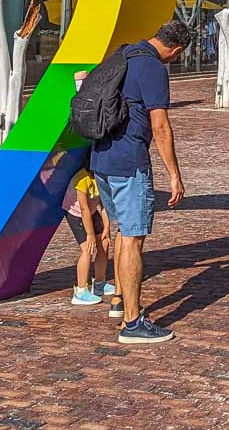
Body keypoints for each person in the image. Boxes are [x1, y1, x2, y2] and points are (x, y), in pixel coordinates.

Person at [91, 19, 191, 346]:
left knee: (122, 230)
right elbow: (160, 126)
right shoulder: (153, 68)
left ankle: (119, 300)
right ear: (175, 50)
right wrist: (174, 174)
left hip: (101, 158)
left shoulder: (123, 55)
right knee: (133, 237)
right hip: (130, 161)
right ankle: (132, 323)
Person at [62, 159, 114, 307]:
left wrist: (106, 229)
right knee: (87, 249)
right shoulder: (82, 179)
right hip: (77, 214)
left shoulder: (103, 178)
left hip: (92, 211)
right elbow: (84, 209)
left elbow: (104, 205)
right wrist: (90, 235)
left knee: (104, 243)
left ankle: (99, 283)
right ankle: (80, 291)